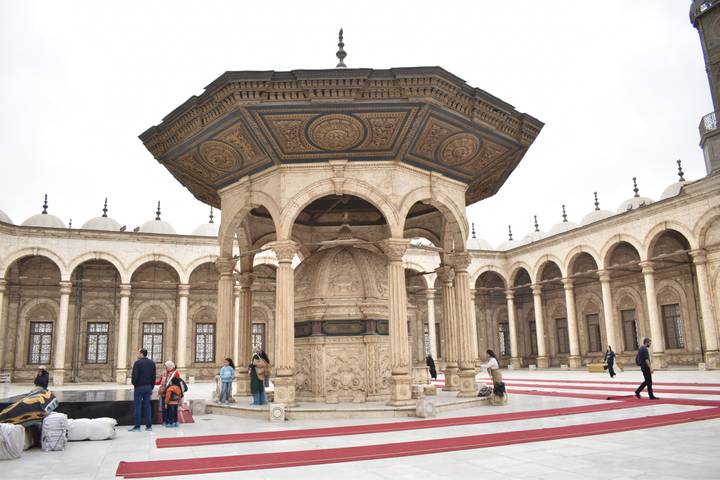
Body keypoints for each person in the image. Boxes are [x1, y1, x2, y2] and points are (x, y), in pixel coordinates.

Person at [129, 348, 156, 432]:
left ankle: (137, 427)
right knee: (147, 407)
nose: (137, 354)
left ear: (141, 354)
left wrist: (135, 384)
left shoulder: (137, 363)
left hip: (139, 387)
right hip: (148, 387)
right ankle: (149, 426)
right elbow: (153, 377)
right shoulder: (151, 363)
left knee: (138, 407)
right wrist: (151, 386)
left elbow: (134, 376)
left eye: (138, 353)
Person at [156, 360, 180, 426]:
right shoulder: (164, 372)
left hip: (171, 393)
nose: (166, 368)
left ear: (170, 366)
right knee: (164, 407)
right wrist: (152, 382)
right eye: (165, 366)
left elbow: (177, 384)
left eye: (166, 366)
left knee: (171, 408)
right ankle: (165, 421)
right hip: (164, 392)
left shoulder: (175, 373)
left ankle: (171, 421)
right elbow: (159, 382)